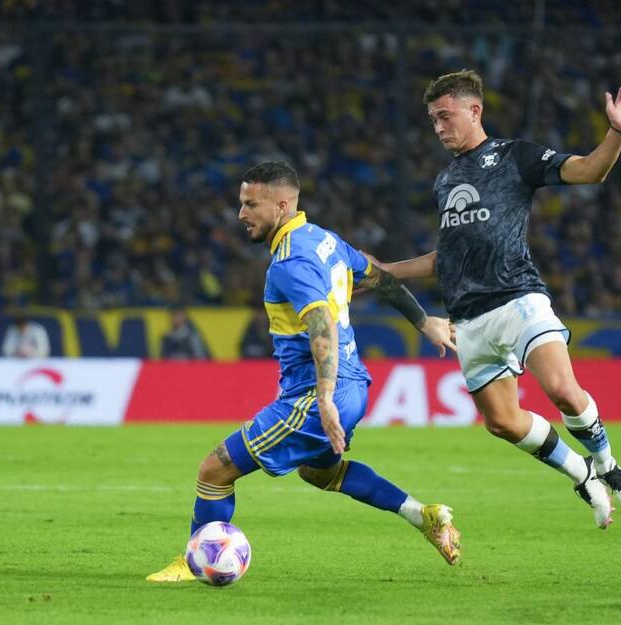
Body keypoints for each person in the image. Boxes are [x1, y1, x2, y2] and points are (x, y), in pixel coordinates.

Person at [147, 161, 460, 582]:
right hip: (352, 385)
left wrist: (325, 398)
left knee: (214, 471)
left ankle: (194, 562)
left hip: (316, 394)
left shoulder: (290, 262)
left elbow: (321, 324)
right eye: (241, 203)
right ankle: (424, 515)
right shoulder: (324, 240)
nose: (241, 213)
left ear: (281, 204)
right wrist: (424, 321)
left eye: (250, 204)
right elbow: (379, 277)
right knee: (320, 472)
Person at [368, 70, 621, 529]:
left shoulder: (515, 157)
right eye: (432, 119)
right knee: (501, 422)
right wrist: (386, 272)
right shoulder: (445, 181)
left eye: (445, 116)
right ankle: (579, 473)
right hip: (469, 319)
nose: (438, 127)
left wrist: (617, 130)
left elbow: (591, 171)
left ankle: (607, 464)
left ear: (474, 110)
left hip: (518, 298)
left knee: (561, 389)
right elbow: (450, 255)